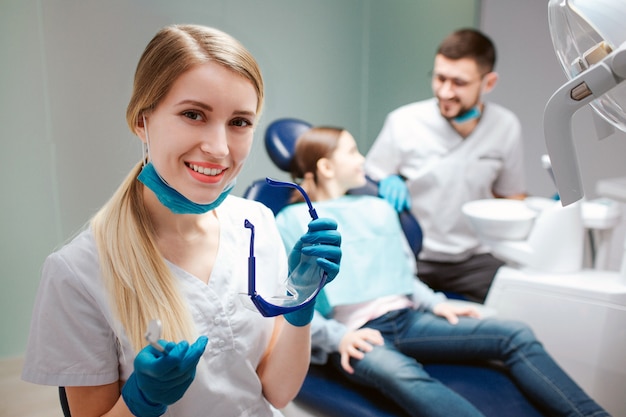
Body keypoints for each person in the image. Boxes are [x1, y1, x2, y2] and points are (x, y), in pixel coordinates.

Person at [21, 24, 341, 417]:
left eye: (239, 122)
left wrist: (300, 304)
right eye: (193, 114)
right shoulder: (77, 272)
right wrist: (139, 402)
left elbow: (275, 392)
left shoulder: (256, 223)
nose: (219, 148)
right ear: (142, 120)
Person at [275, 126, 609, 417]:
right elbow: (291, 302)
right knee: (403, 375)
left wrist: (436, 303)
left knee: (515, 334)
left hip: (408, 319)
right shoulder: (290, 221)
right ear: (326, 166)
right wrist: (338, 337)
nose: (363, 159)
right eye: (352, 151)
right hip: (356, 333)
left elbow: (403, 274)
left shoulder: (378, 208)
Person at [365, 28, 527, 303]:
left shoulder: (505, 126)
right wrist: (385, 182)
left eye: (459, 83)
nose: (445, 91)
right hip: (414, 256)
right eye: (440, 78)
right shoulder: (404, 122)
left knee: (522, 300)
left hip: (473, 260)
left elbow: (512, 197)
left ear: (488, 83)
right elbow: (366, 181)